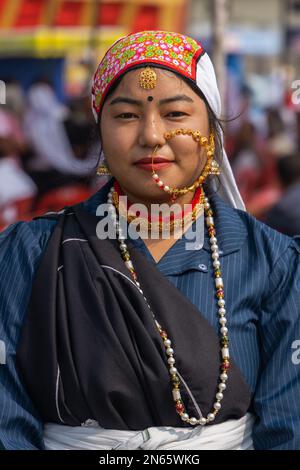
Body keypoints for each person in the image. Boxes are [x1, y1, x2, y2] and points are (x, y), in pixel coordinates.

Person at [0, 30, 299, 451]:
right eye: (125, 116)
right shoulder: (31, 253)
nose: (152, 135)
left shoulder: (272, 261)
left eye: (176, 114)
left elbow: (290, 427)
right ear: (99, 132)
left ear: (211, 130)